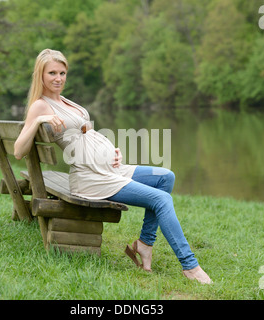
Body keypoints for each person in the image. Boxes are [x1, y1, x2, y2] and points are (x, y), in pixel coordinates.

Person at [14, 49, 212, 284]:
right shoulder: (40, 106)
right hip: (91, 179)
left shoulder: (65, 102)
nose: (59, 78)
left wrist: (110, 150)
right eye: (52, 73)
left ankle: (144, 244)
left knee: (165, 177)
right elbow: (18, 151)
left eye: (63, 72)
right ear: (41, 75)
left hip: (107, 168)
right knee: (161, 199)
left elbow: (88, 134)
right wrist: (38, 120)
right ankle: (190, 267)